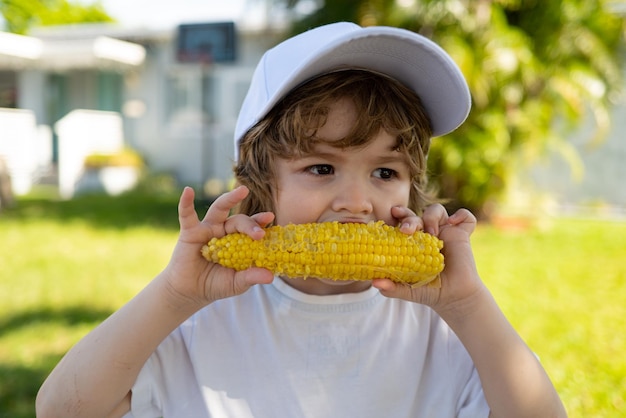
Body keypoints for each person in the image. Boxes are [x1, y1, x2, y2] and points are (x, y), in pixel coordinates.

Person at [36, 22, 567, 418]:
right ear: (262, 184)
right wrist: (174, 294)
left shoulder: (441, 329)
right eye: (321, 167)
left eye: (385, 171)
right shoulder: (203, 322)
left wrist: (469, 304)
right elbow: (63, 409)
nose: (357, 201)